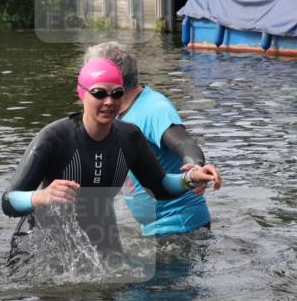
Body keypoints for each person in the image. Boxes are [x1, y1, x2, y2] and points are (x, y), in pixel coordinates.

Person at [1, 59, 218, 257]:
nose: (108, 101)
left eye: (116, 94)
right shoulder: (54, 138)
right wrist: (40, 197)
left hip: (102, 240)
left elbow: (160, 187)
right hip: (44, 246)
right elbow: (8, 201)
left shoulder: (129, 137)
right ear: (81, 93)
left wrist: (191, 178)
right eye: (99, 93)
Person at [85, 42, 222, 236]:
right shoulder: (115, 112)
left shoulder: (154, 108)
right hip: (157, 228)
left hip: (180, 226)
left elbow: (184, 143)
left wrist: (195, 167)